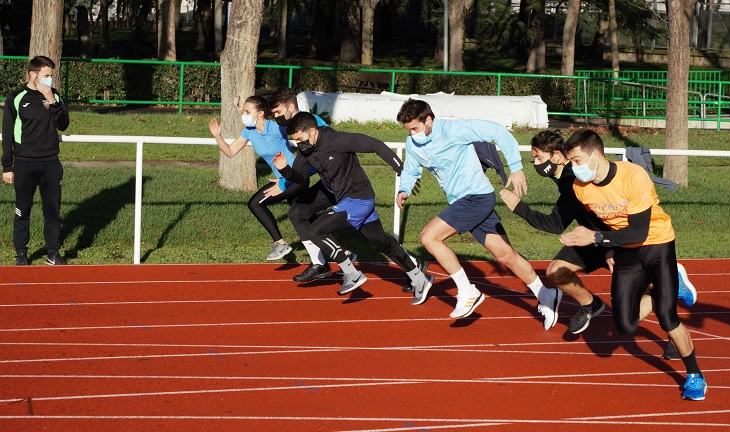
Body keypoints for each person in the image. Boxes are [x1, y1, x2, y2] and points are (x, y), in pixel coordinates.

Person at [499, 131, 698, 351]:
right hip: (594, 238)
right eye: (533, 160)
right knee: (557, 271)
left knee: (649, 291)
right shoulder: (570, 179)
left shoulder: (573, 179)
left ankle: (672, 292)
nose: (535, 164)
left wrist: (520, 208)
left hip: (612, 239)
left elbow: (556, 224)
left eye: (538, 158)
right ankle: (590, 304)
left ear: (556, 155)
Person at [558, 128, 706, 401]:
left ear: (596, 155)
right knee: (625, 325)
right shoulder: (580, 188)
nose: (573, 167)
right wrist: (608, 248)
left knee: (667, 318)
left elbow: (638, 231)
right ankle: (671, 287)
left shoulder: (633, 175)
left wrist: (597, 239)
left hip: (656, 243)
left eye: (577, 160)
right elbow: (599, 221)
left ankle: (695, 375)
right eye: (571, 162)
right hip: (625, 250)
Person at [395, 99, 562, 328]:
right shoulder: (413, 143)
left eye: (415, 128)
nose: (413, 134)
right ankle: (546, 295)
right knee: (505, 255)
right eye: (408, 130)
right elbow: (411, 168)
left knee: (429, 237)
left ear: (428, 120)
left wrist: (516, 166)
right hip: (462, 201)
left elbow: (496, 131)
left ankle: (467, 291)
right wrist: (404, 188)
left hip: (476, 197)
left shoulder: (455, 130)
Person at [275, 112, 432, 296]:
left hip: (358, 198)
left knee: (316, 231)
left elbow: (376, 145)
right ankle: (419, 276)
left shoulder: (338, 140)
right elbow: (300, 177)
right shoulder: (305, 150)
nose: (300, 145)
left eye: (301, 139)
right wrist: (285, 169)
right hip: (347, 199)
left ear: (312, 131)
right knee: (382, 243)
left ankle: (351, 273)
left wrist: (401, 169)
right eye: (296, 142)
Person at [209, 95, 304, 262]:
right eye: (243, 111)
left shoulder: (276, 128)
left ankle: (280, 244)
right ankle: (343, 254)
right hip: (283, 180)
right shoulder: (249, 132)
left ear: (260, 113)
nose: (243, 114)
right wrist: (217, 135)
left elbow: (300, 124)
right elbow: (230, 152)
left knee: (256, 203)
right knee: (305, 219)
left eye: (247, 111)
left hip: (294, 178)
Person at [2, 56, 70, 265]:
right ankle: (21, 253)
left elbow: (64, 124)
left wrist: (51, 100)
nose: (50, 79)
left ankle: (52, 253)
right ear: (33, 74)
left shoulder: (54, 95)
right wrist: (7, 166)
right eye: (46, 75)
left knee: (52, 210)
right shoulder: (16, 97)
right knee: (23, 209)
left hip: (50, 162)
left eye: (51, 75)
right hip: (24, 162)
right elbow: (7, 134)